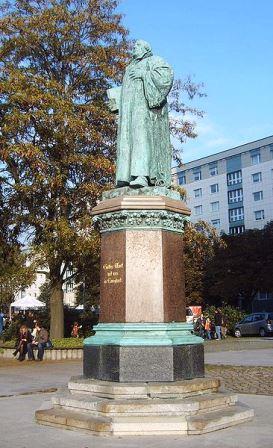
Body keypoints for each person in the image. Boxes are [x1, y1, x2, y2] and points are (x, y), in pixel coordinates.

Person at [108, 39, 174, 188]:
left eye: (137, 45)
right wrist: (116, 100)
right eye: (134, 46)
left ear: (146, 48)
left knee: (141, 138)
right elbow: (128, 89)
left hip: (143, 111)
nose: (134, 48)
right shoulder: (130, 67)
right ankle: (125, 176)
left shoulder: (155, 60)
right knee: (125, 141)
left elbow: (165, 78)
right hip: (128, 112)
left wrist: (144, 74)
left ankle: (141, 176)